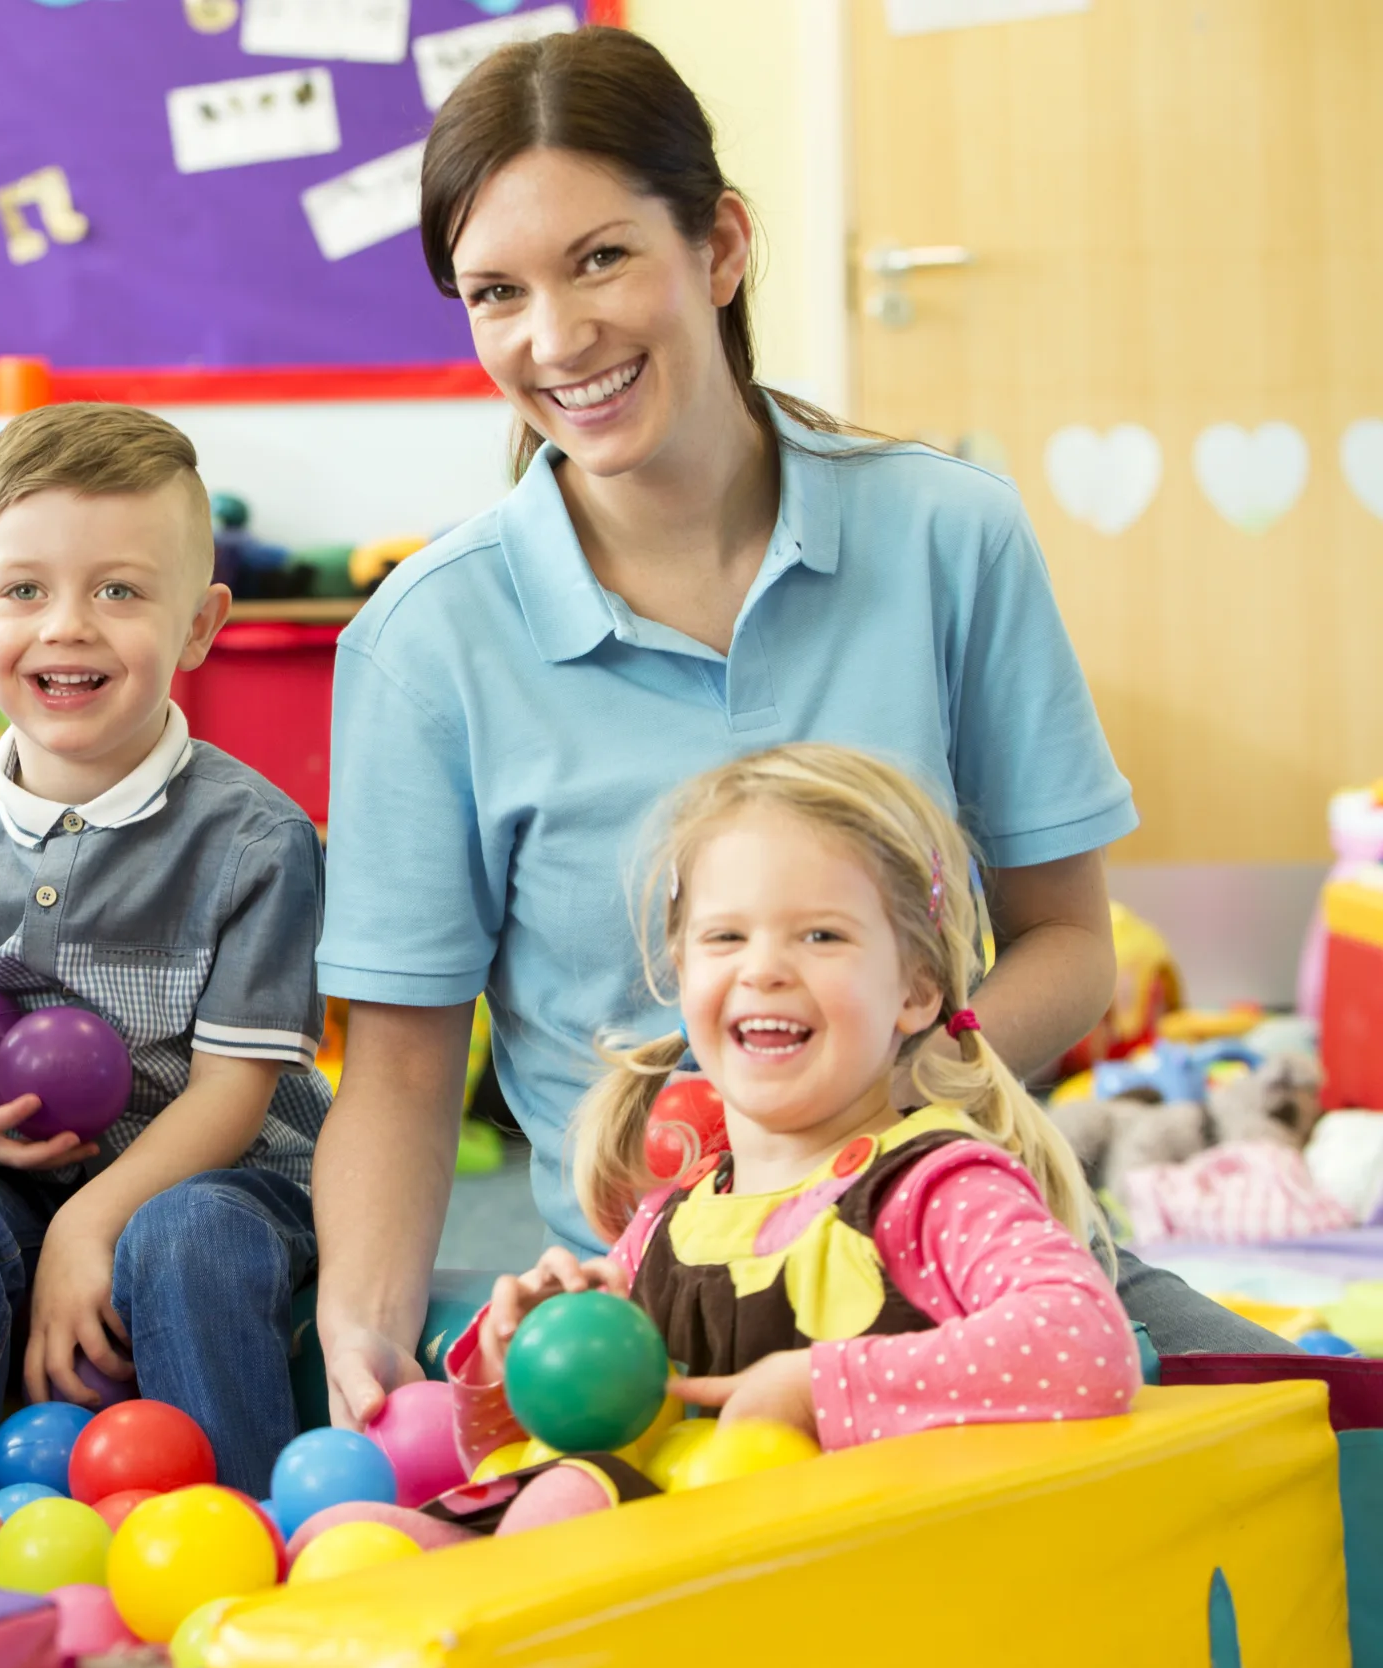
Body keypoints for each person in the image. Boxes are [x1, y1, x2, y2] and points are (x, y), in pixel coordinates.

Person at [312, 25, 1287, 1432]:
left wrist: (854, 1115)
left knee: (1320, 1455)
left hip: (970, 1259)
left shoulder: (949, 535)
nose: (554, 337)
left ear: (717, 247)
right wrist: (364, 1337)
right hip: (656, 1323)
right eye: (494, 292)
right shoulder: (426, 637)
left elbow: (1070, 943)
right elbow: (404, 1065)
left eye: (600, 259)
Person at [0, 405, 330, 1496]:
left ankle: (236, 1535)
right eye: (23, 591)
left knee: (185, 1235)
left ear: (199, 625)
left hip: (230, 1179)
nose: (67, 626)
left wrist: (91, 1225)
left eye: (119, 589)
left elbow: (234, 1096)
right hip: (15, 1186)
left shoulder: (257, 840)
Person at [444, 745, 1138, 1472]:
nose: (765, 967)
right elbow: (521, 1474)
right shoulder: (663, 1230)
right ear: (681, 976)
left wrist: (817, 1388)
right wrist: (516, 1364)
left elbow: (1086, 1344)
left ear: (916, 989)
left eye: (821, 935)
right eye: (726, 936)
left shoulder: (939, 1189)